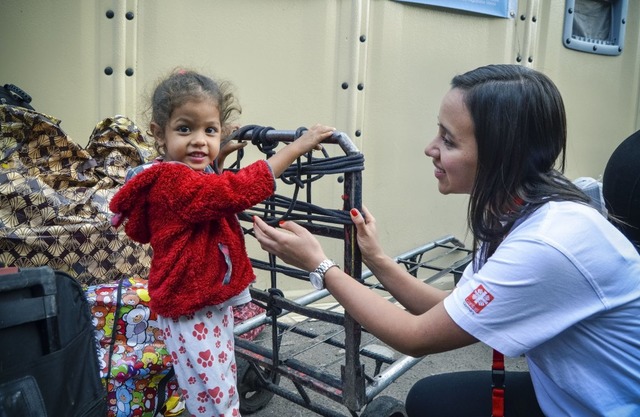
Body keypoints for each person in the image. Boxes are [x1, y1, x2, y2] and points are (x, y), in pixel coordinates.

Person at [252, 64, 640, 416]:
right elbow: (450, 309)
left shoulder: (549, 243)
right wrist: (376, 258)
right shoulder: (515, 209)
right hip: (563, 393)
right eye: (438, 130)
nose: (430, 148)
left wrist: (320, 266)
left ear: (501, 156)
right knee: (429, 399)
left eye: (449, 140)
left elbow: (415, 336)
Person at [109, 68, 335, 417]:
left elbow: (205, 194)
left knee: (202, 383)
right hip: (192, 304)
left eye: (209, 130)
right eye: (185, 129)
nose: (199, 140)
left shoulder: (168, 172)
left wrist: (218, 158)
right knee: (217, 387)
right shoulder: (173, 180)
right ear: (159, 133)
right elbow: (233, 191)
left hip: (188, 299)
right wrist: (295, 148)